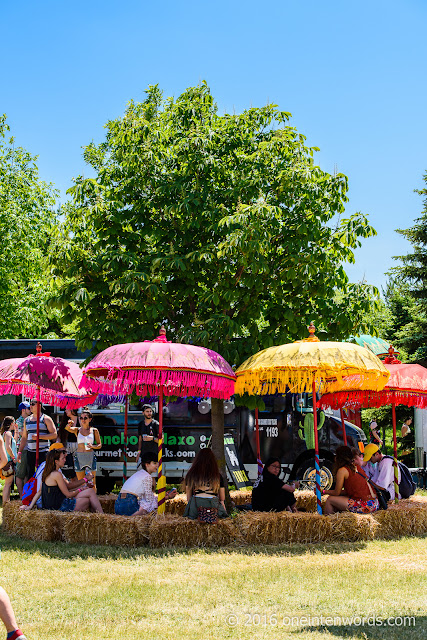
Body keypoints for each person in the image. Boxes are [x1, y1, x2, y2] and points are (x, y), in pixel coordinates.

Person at [20, 442, 93, 511]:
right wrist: (85, 480)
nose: (66, 454)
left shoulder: (45, 466)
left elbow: (41, 491)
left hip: (46, 502)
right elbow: (68, 488)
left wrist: (30, 506)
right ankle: (101, 514)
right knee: (88, 497)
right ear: (56, 457)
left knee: (87, 494)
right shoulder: (56, 472)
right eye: (63, 452)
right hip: (52, 503)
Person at [40, 447, 103, 513]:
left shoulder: (48, 472)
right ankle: (102, 516)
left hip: (53, 506)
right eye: (63, 458)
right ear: (56, 461)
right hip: (59, 507)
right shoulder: (56, 474)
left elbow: (65, 488)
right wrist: (81, 489)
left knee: (88, 497)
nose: (65, 460)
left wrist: (83, 487)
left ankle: (98, 516)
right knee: (89, 495)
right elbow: (68, 494)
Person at [115, 452, 177, 516]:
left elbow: (148, 497)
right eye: (154, 463)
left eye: (157, 463)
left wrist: (165, 497)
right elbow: (149, 501)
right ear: (147, 464)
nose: (157, 465)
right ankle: (133, 516)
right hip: (129, 505)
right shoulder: (147, 476)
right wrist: (168, 497)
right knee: (150, 506)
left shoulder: (140, 473)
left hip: (118, 505)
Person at [323, 445, 379, 515]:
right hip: (374, 503)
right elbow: (348, 491)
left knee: (330, 500)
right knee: (339, 499)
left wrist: (323, 491)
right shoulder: (356, 467)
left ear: (338, 458)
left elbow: (337, 492)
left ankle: (328, 522)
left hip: (365, 506)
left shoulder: (342, 470)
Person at [183, 448, 228, 519]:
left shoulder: (191, 475)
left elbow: (188, 498)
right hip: (213, 506)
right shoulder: (217, 476)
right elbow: (222, 498)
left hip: (196, 507)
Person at [17, 400, 57, 479]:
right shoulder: (27, 420)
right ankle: (33, 491)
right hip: (30, 452)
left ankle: (42, 491)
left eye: (32, 404)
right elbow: (24, 437)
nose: (30, 406)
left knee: (44, 476)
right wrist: (20, 451)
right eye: (29, 405)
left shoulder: (46, 419)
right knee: (30, 476)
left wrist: (40, 437)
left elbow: (54, 435)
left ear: (39, 405)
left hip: (43, 452)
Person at [65, 408, 101, 487]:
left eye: (85, 418)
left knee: (92, 483)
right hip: (79, 456)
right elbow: (67, 429)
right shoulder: (77, 430)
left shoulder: (94, 430)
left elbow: (99, 445)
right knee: (81, 482)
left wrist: (93, 446)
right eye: (81, 418)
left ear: (90, 419)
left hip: (90, 456)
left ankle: (93, 498)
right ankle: (83, 498)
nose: (83, 420)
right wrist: (69, 424)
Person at [14, 402, 31, 498]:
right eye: (29, 408)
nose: (31, 409)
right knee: (20, 474)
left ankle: (26, 495)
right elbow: (21, 433)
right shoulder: (19, 421)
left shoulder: (29, 420)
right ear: (23, 410)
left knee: (27, 474)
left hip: (29, 449)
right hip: (22, 449)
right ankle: (21, 496)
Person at [57, 409, 78, 479]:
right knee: (68, 471)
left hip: (78, 447)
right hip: (67, 448)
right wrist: (58, 446)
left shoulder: (81, 420)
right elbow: (60, 435)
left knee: (78, 471)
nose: (65, 411)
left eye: (67, 409)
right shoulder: (64, 421)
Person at [0, 417, 17, 504]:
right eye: (14, 423)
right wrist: (13, 457)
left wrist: (17, 431)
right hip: (9, 462)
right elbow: (8, 447)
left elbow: (15, 441)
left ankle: (7, 502)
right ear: (11, 424)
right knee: (7, 484)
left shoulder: (5, 433)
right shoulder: (8, 433)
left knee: (8, 484)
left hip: (6, 462)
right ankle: (5, 503)